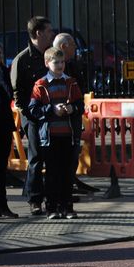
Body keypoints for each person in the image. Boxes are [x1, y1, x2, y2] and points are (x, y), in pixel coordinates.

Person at [27, 47, 84, 220]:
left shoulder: (71, 83)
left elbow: (80, 105)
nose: (60, 65)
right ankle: (52, 207)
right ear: (47, 63)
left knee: (68, 172)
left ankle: (67, 207)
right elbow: (33, 109)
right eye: (56, 62)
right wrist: (51, 109)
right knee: (52, 173)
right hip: (49, 137)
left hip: (68, 134)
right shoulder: (41, 85)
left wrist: (71, 108)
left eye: (62, 62)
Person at [10, 16, 55, 216]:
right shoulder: (22, 59)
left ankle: (53, 198)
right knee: (36, 157)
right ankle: (35, 199)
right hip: (34, 116)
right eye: (49, 31)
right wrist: (28, 116)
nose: (52, 34)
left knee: (53, 157)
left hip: (53, 114)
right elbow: (17, 93)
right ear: (38, 33)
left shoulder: (52, 56)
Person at [52, 32, 98, 194]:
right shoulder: (54, 68)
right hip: (59, 120)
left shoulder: (71, 65)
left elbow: (79, 88)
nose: (76, 48)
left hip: (74, 114)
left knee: (73, 152)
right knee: (61, 155)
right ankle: (62, 188)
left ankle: (70, 182)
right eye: (72, 44)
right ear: (64, 46)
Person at [0, 44, 18, 218]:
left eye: (0, 53)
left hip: (3, 123)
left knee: (1, 168)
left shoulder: (3, 71)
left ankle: (3, 206)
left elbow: (9, 93)